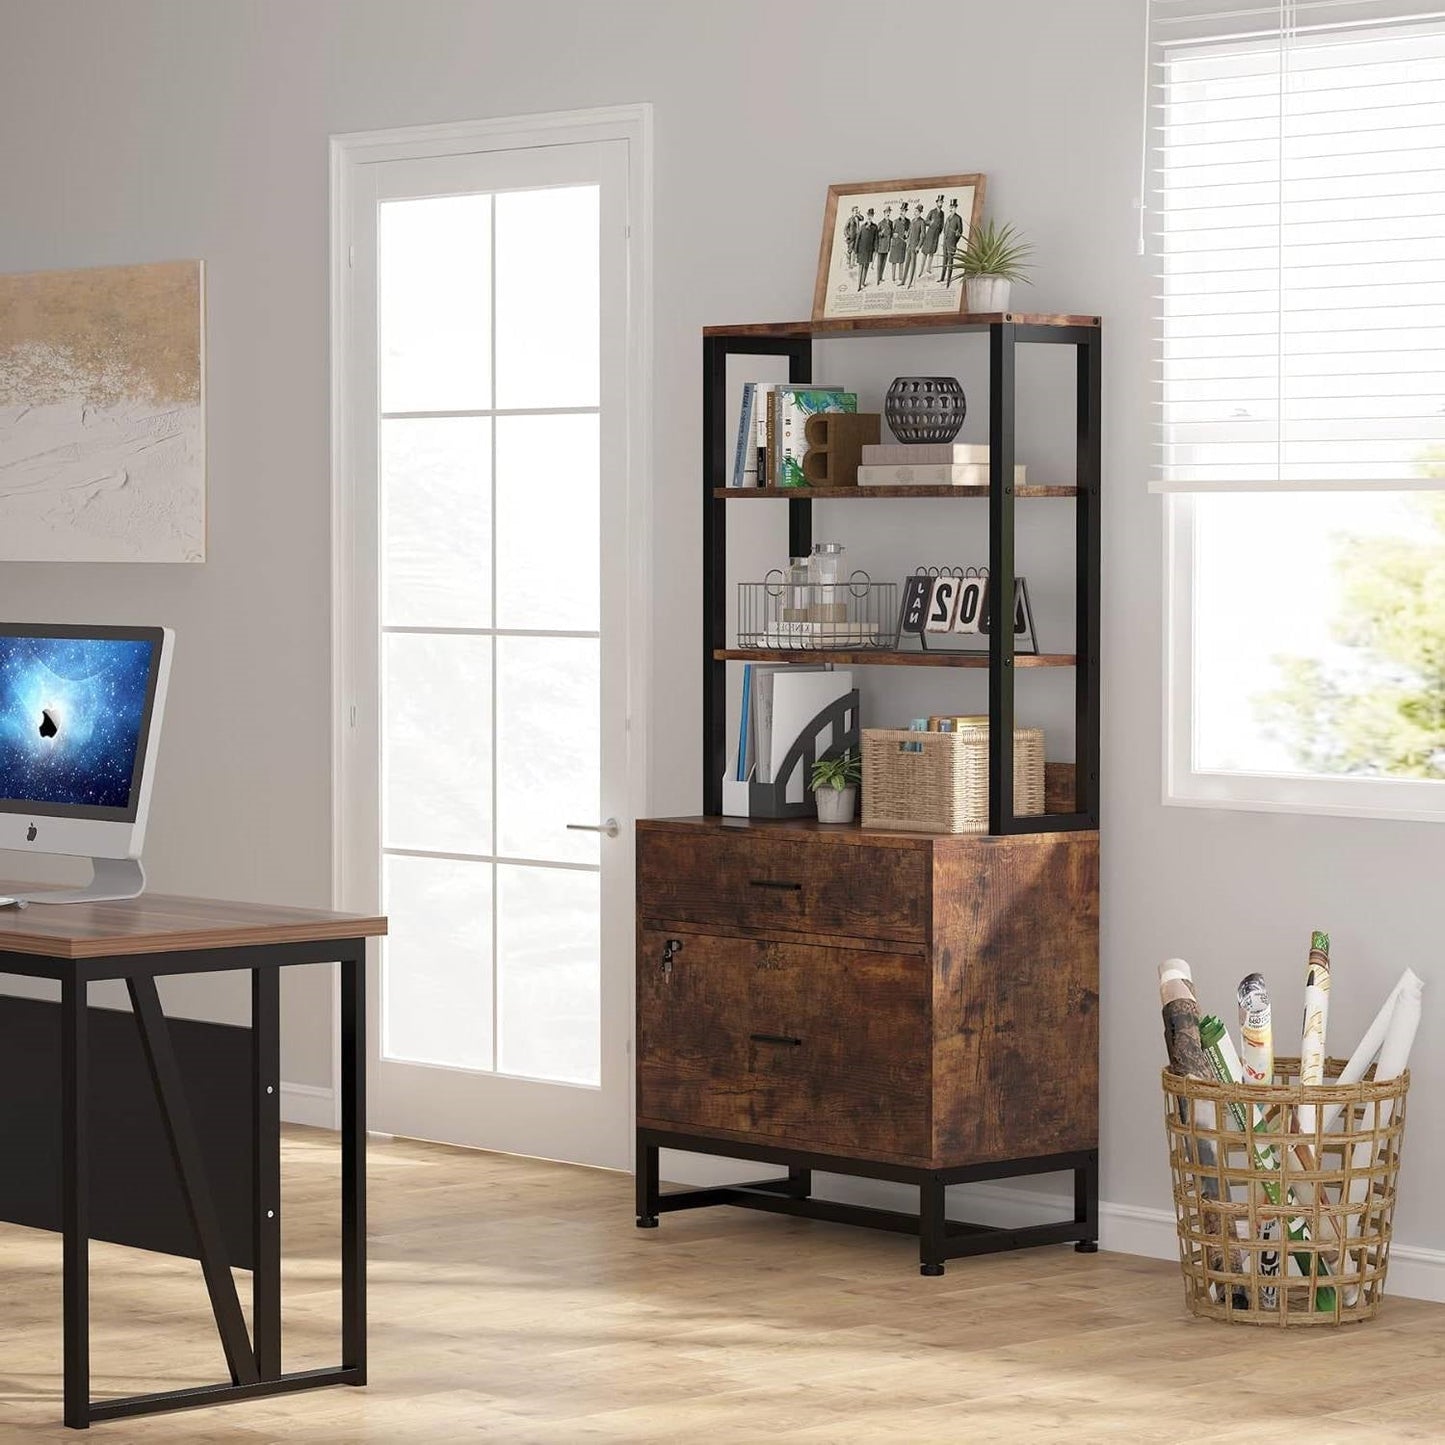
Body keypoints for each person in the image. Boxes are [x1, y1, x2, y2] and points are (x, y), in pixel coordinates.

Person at [940, 198, 965, 286]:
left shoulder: (958, 218)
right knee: (944, 261)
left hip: (952, 243)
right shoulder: (948, 218)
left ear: (956, 208)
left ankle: (948, 281)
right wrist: (944, 240)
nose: (951, 208)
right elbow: (945, 230)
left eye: (953, 207)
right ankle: (942, 278)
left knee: (950, 262)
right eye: (951, 207)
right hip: (945, 242)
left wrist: (954, 241)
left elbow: (960, 232)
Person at [920, 194, 945, 278]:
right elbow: (925, 221)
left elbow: (942, 224)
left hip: (936, 236)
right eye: (939, 202)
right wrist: (930, 222)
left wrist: (939, 232)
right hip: (929, 235)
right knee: (925, 252)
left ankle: (928, 268)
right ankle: (921, 270)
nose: (940, 203)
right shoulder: (932, 211)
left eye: (941, 202)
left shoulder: (942, 213)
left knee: (932, 252)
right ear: (937, 202)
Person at [853, 208, 878, 289]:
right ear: (867, 216)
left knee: (866, 266)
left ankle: (863, 282)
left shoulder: (875, 227)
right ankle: (859, 285)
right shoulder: (862, 226)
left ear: (873, 216)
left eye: (871, 215)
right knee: (861, 267)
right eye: (869, 215)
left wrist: (876, 249)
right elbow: (858, 239)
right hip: (861, 250)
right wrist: (856, 250)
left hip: (869, 250)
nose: (870, 217)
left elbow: (876, 239)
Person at [902, 202, 925, 288]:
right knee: (906, 264)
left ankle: (910, 283)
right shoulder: (912, 221)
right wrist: (907, 237)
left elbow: (923, 236)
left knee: (913, 265)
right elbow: (910, 232)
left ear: (920, 212)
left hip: (915, 247)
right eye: (915, 211)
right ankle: (903, 281)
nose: (915, 213)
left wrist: (919, 246)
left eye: (916, 211)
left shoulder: (922, 222)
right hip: (909, 245)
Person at [889, 201, 910, 283]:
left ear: (906, 212)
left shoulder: (908, 222)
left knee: (901, 261)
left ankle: (900, 277)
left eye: (904, 211)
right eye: (901, 210)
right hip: (895, 244)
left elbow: (909, 232)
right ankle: (893, 278)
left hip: (902, 244)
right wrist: (893, 234)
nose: (902, 212)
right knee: (894, 261)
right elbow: (891, 232)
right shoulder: (895, 221)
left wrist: (907, 235)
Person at [874, 206, 894, 286]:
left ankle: (881, 277)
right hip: (881, 246)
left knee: (884, 263)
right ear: (884, 213)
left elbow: (891, 233)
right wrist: (880, 233)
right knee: (879, 264)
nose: (888, 214)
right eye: (886, 212)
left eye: (889, 212)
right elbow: (877, 235)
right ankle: (877, 279)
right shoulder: (880, 223)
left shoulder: (891, 223)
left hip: (887, 246)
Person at [843, 206, 862, 272]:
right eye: (855, 210)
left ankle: (853, 263)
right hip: (851, 237)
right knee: (850, 250)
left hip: (857, 236)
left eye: (857, 210)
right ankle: (849, 264)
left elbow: (862, 218)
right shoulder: (850, 219)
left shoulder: (858, 218)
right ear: (852, 211)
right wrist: (847, 236)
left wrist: (859, 214)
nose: (856, 212)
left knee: (855, 250)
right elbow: (845, 229)